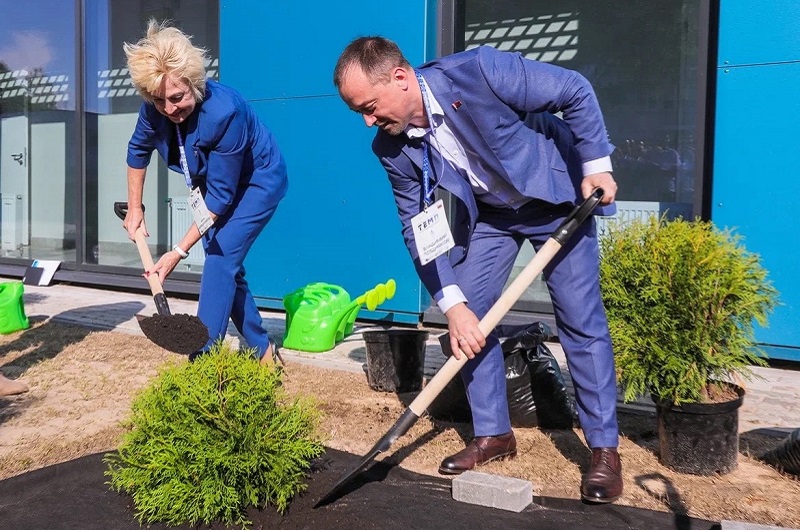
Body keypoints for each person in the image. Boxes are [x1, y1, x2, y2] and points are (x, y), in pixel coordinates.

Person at [334, 37, 623, 503]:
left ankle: (604, 448)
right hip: (492, 214)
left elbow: (573, 89)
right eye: (359, 113)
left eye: (369, 107)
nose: (368, 121)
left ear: (400, 78)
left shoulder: (481, 71)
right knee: (468, 317)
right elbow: (417, 228)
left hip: (558, 198)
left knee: (579, 319)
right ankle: (494, 434)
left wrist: (596, 165)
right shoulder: (390, 148)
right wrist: (453, 305)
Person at [122, 20, 287, 365]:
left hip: (256, 181)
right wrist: (135, 208)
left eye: (177, 98)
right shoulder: (154, 109)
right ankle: (263, 349)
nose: (169, 109)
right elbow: (137, 151)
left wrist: (177, 252)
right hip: (212, 183)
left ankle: (202, 360)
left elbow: (220, 199)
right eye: (159, 101)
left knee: (220, 257)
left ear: (194, 83)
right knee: (225, 263)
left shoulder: (225, 113)